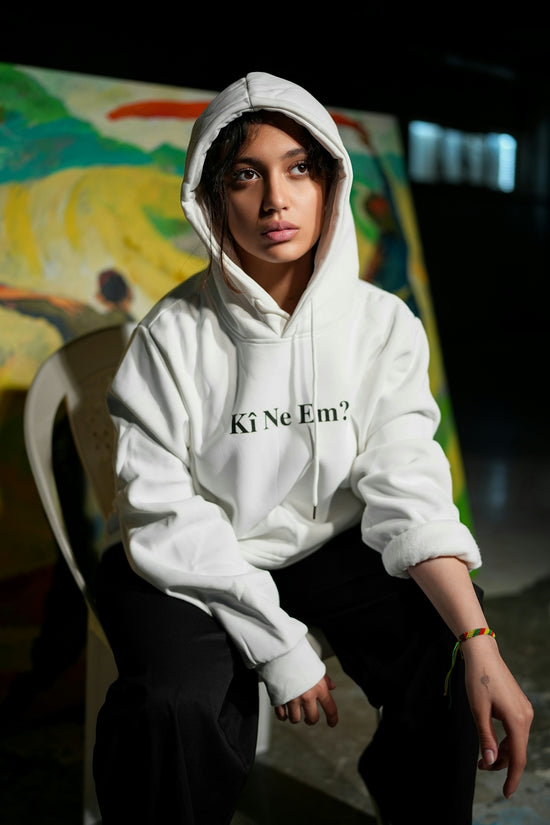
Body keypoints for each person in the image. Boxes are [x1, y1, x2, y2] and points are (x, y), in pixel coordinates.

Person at [93, 72, 532, 825]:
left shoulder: (382, 326)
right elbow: (162, 512)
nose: (275, 199)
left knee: (448, 656)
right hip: (191, 557)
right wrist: (278, 645)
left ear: (330, 183)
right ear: (210, 198)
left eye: (298, 168)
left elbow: (408, 490)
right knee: (171, 706)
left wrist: (480, 641)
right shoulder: (170, 337)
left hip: (330, 546)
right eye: (245, 175)